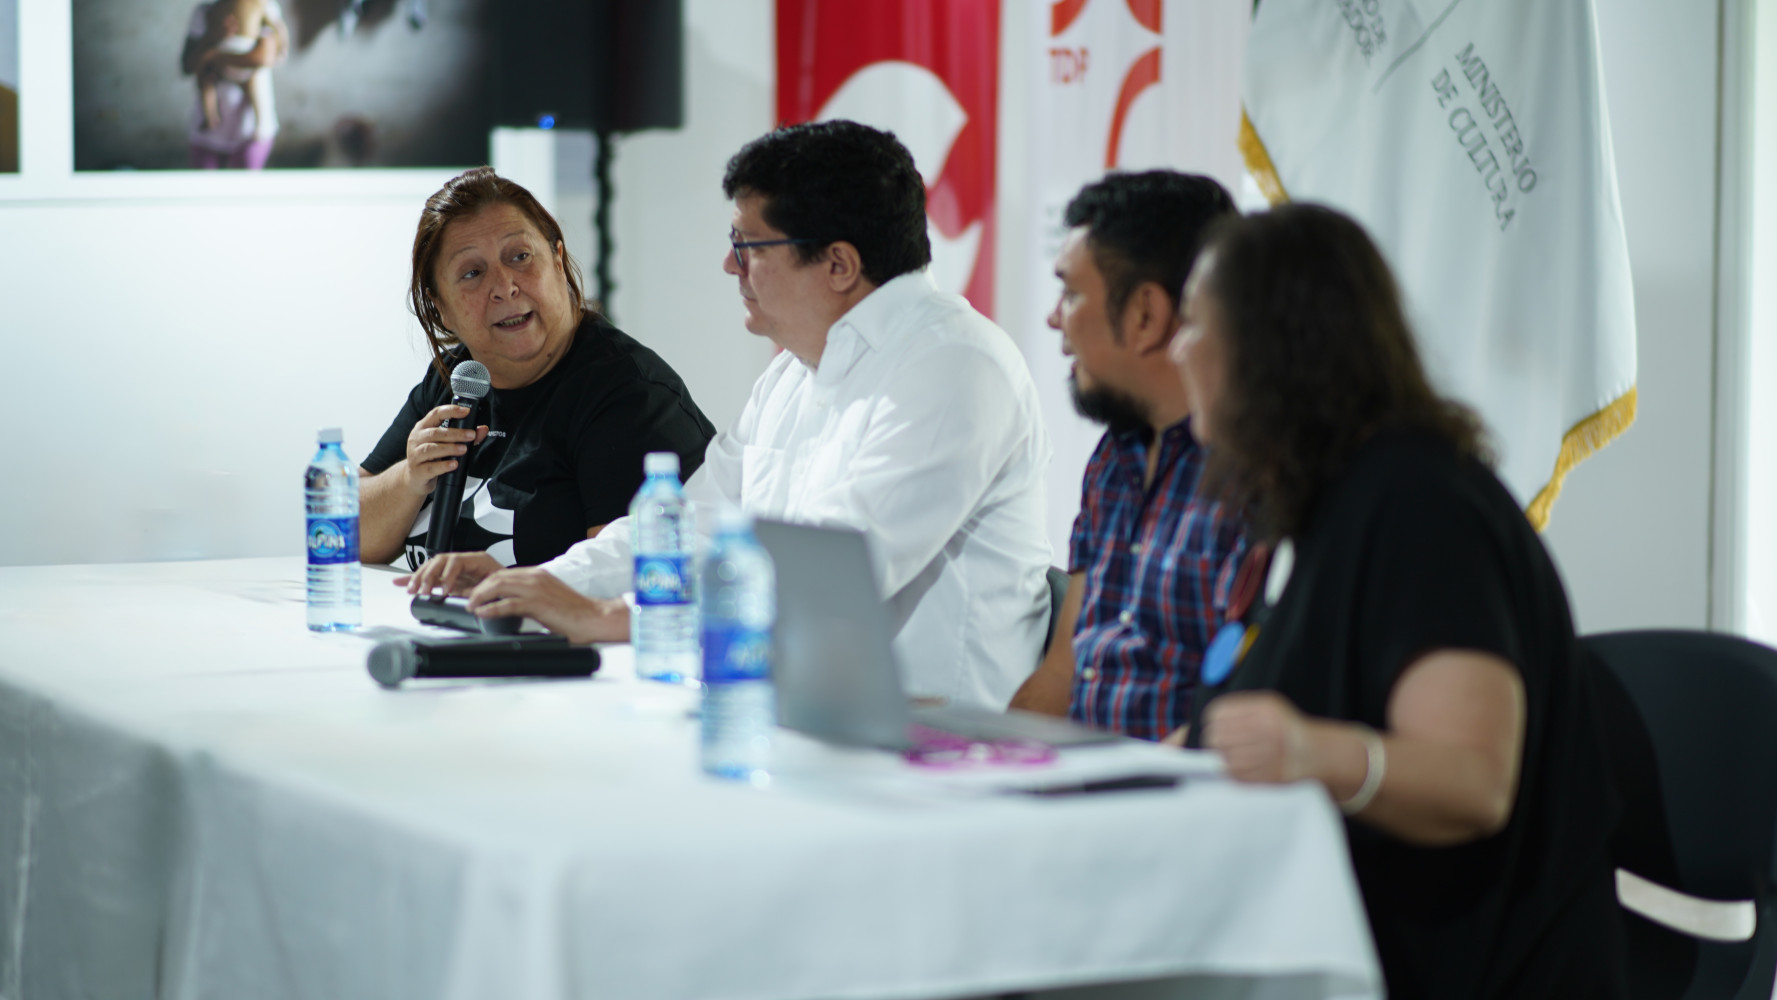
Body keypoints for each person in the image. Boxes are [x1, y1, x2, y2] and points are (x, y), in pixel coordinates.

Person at [404, 121, 1053, 709]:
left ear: (838, 264)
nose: (728, 265)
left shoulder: (954, 366)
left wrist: (615, 616)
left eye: (748, 247)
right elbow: (688, 527)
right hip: (793, 714)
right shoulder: (792, 375)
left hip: (934, 752)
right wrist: (537, 581)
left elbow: (834, 580)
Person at [1171, 203, 1622, 998]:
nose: (1177, 348)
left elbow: (1472, 783)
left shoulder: (1420, 503)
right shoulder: (1318, 508)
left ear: (1269, 346)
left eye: (1193, 322)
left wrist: (1310, 755)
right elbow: (1244, 723)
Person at [360, 167, 716, 570]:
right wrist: (409, 478)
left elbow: (621, 585)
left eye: (520, 256)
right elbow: (344, 534)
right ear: (440, 306)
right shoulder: (459, 376)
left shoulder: (629, 396)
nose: (505, 286)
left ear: (558, 261)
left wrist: (512, 594)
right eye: (472, 273)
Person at [1008, 171, 1248, 740]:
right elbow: (1066, 667)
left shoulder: (1259, 470)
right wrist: (985, 767)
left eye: (1070, 293)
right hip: (1088, 796)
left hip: (1179, 809)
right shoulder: (1115, 456)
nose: (1053, 318)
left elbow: (1250, 711)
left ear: (1145, 315)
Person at [180, 0, 287, 170]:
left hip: (251, 132)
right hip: (207, 138)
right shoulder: (204, 11)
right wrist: (212, 36)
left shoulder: (264, 6)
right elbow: (186, 65)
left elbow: (269, 56)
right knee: (205, 189)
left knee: (245, 189)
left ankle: (217, 117)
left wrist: (214, 56)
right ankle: (210, 117)